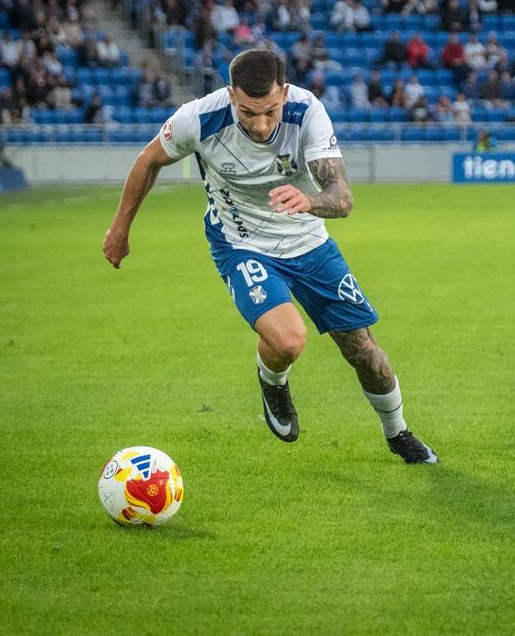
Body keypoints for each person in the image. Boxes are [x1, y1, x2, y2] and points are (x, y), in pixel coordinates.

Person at [102, 49, 437, 464]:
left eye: (269, 112)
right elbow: (149, 159)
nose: (260, 125)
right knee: (289, 340)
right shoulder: (199, 117)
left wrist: (309, 200)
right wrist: (120, 227)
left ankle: (398, 433)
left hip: (309, 242)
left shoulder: (307, 110)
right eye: (247, 113)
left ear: (283, 92)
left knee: (364, 352)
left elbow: (343, 198)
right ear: (230, 94)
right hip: (241, 242)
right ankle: (273, 382)